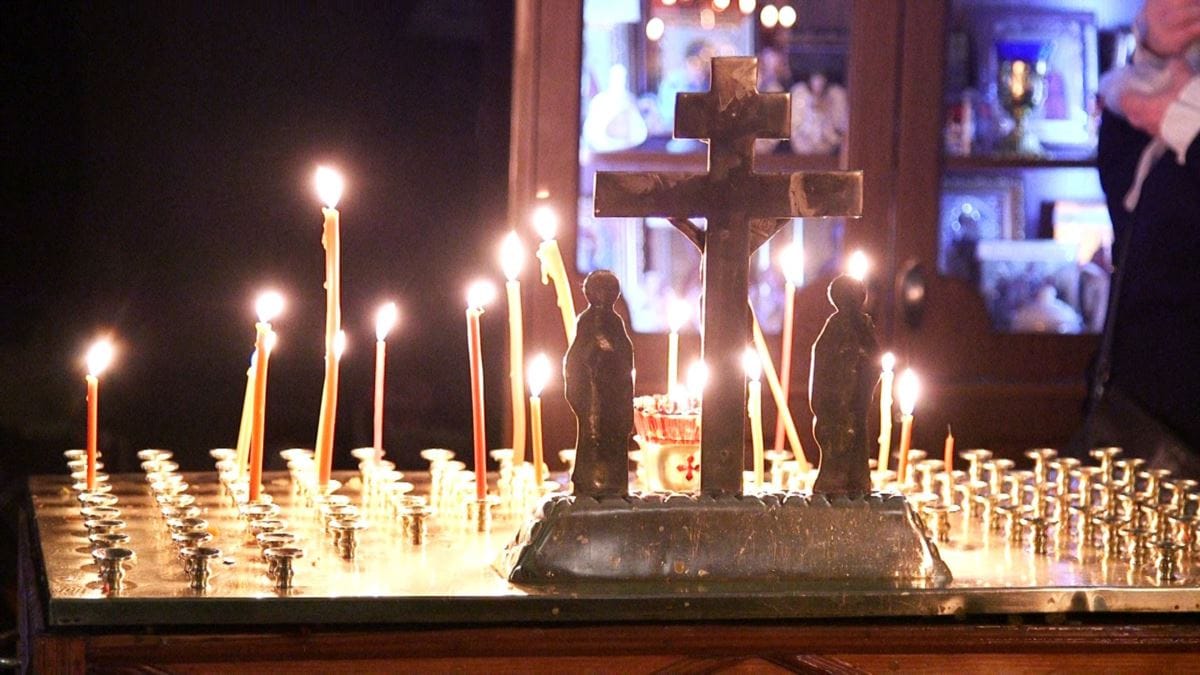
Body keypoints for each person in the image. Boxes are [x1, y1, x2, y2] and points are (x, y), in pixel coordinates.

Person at [1092, 0, 1200, 464]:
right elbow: (1124, 191)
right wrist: (1155, 55)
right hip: (1140, 408)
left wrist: (1185, 126)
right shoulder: (1163, 93)